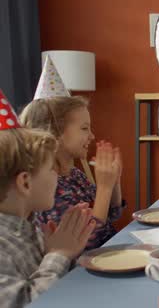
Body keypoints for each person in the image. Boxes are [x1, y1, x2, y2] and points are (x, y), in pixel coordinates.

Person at [0, 91, 95, 307]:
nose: (57, 174)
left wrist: (53, 254)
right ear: (25, 183)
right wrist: (59, 254)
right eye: (51, 168)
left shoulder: (30, 228)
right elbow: (29, 302)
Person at [19, 96, 123, 250]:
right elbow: (88, 242)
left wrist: (114, 181)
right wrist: (104, 187)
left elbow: (111, 214)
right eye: (84, 128)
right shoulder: (47, 190)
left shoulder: (75, 175)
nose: (92, 136)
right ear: (55, 133)